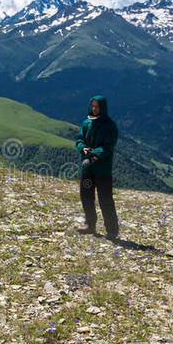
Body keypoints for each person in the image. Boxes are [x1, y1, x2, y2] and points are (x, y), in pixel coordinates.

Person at [75, 95, 119, 240]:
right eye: (93, 106)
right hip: (87, 170)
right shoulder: (86, 123)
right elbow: (79, 139)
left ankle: (112, 231)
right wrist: (83, 149)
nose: (94, 109)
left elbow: (108, 147)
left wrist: (94, 155)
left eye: (97, 106)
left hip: (102, 171)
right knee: (86, 196)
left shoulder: (110, 126)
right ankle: (90, 225)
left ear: (103, 107)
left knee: (105, 200)